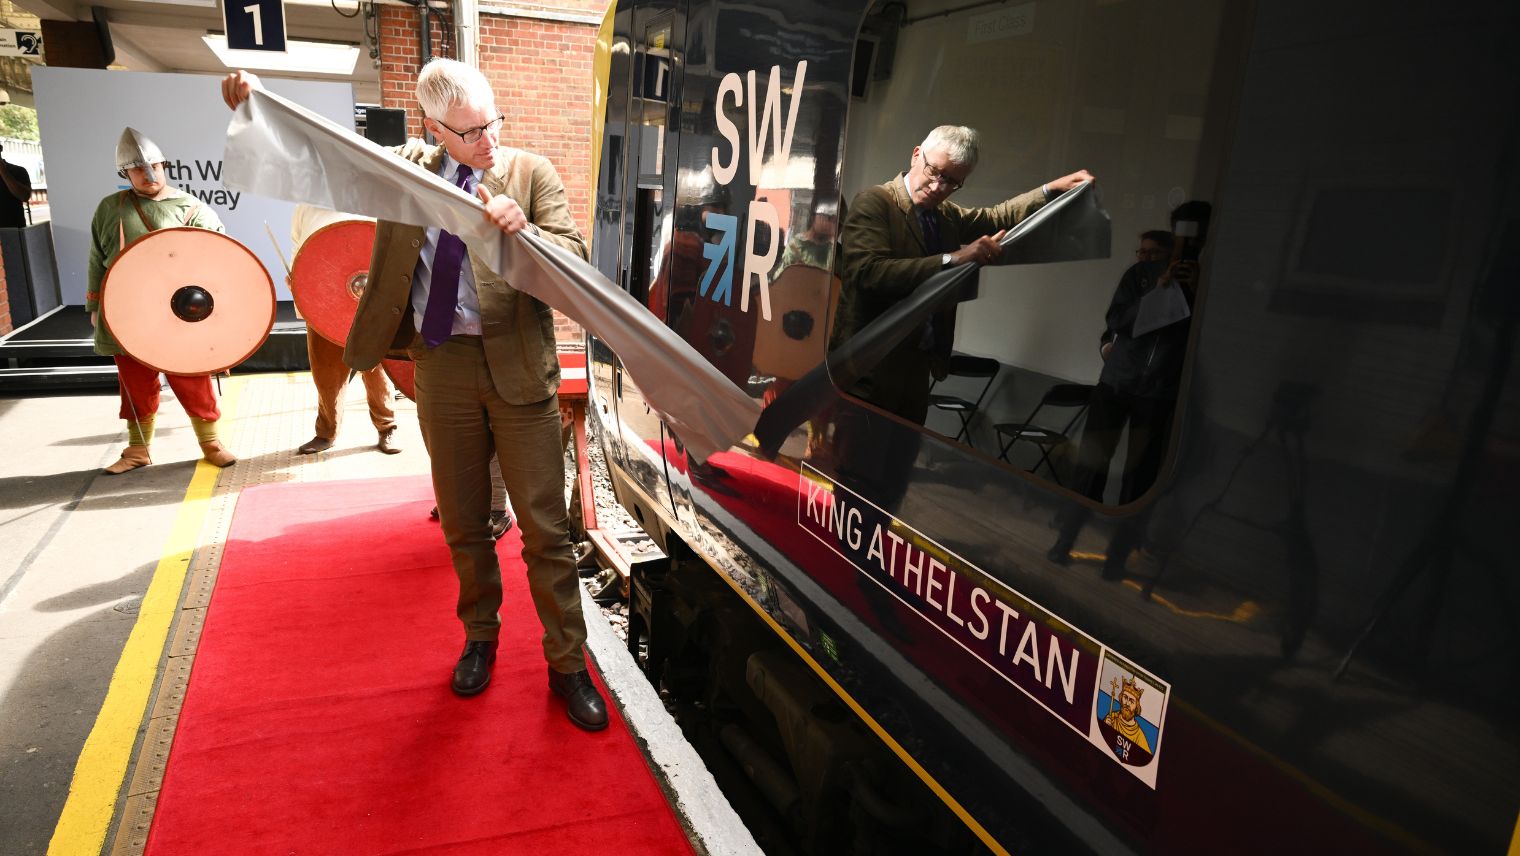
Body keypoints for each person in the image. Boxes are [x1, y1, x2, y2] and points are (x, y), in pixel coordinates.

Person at [223, 61, 605, 731]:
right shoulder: (404, 170)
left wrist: (527, 232)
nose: (489, 140)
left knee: (545, 529)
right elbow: (322, 153)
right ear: (434, 129)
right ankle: (479, 638)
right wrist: (258, 104)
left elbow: (572, 257)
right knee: (463, 523)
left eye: (494, 122)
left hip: (518, 364)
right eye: (471, 132)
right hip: (442, 367)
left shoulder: (530, 173)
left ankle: (568, 663)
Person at [834, 124, 1093, 425]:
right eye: (935, 172)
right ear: (916, 155)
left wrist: (1050, 189)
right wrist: (953, 259)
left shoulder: (944, 216)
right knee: (854, 462)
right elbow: (868, 273)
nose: (938, 188)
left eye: (952, 183)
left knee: (897, 462)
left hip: (917, 366)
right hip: (868, 366)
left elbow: (998, 217)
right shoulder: (875, 202)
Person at [1049, 203, 1210, 576]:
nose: (1190, 242)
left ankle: (1115, 561)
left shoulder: (1209, 281)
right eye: (1185, 233)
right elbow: (1117, 321)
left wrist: (1198, 292)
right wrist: (1158, 289)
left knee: (1139, 477)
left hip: (1160, 390)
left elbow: (1208, 339)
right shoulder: (1141, 275)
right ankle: (1064, 541)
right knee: (1091, 464)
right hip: (1117, 382)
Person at [87, 127, 238, 474]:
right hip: (127, 310)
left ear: (165, 164)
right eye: (139, 169)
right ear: (126, 173)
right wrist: (95, 305)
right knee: (135, 382)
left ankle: (211, 443)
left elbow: (221, 256)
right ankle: (138, 449)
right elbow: (98, 257)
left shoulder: (191, 207)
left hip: (178, 313)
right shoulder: (111, 208)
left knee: (191, 377)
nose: (149, 174)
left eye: (154, 165)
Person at [289, 205, 403, 457]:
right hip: (324, 298)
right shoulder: (306, 206)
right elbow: (300, 247)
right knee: (326, 372)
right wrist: (298, 278)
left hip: (369, 300)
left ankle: (387, 427)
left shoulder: (369, 197)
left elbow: (389, 248)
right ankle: (326, 431)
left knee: (375, 368)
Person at [0, 142, 32, 228]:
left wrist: (2, 170)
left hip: (13, 232)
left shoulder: (18, 171)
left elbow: (24, 196)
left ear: (0, 148)